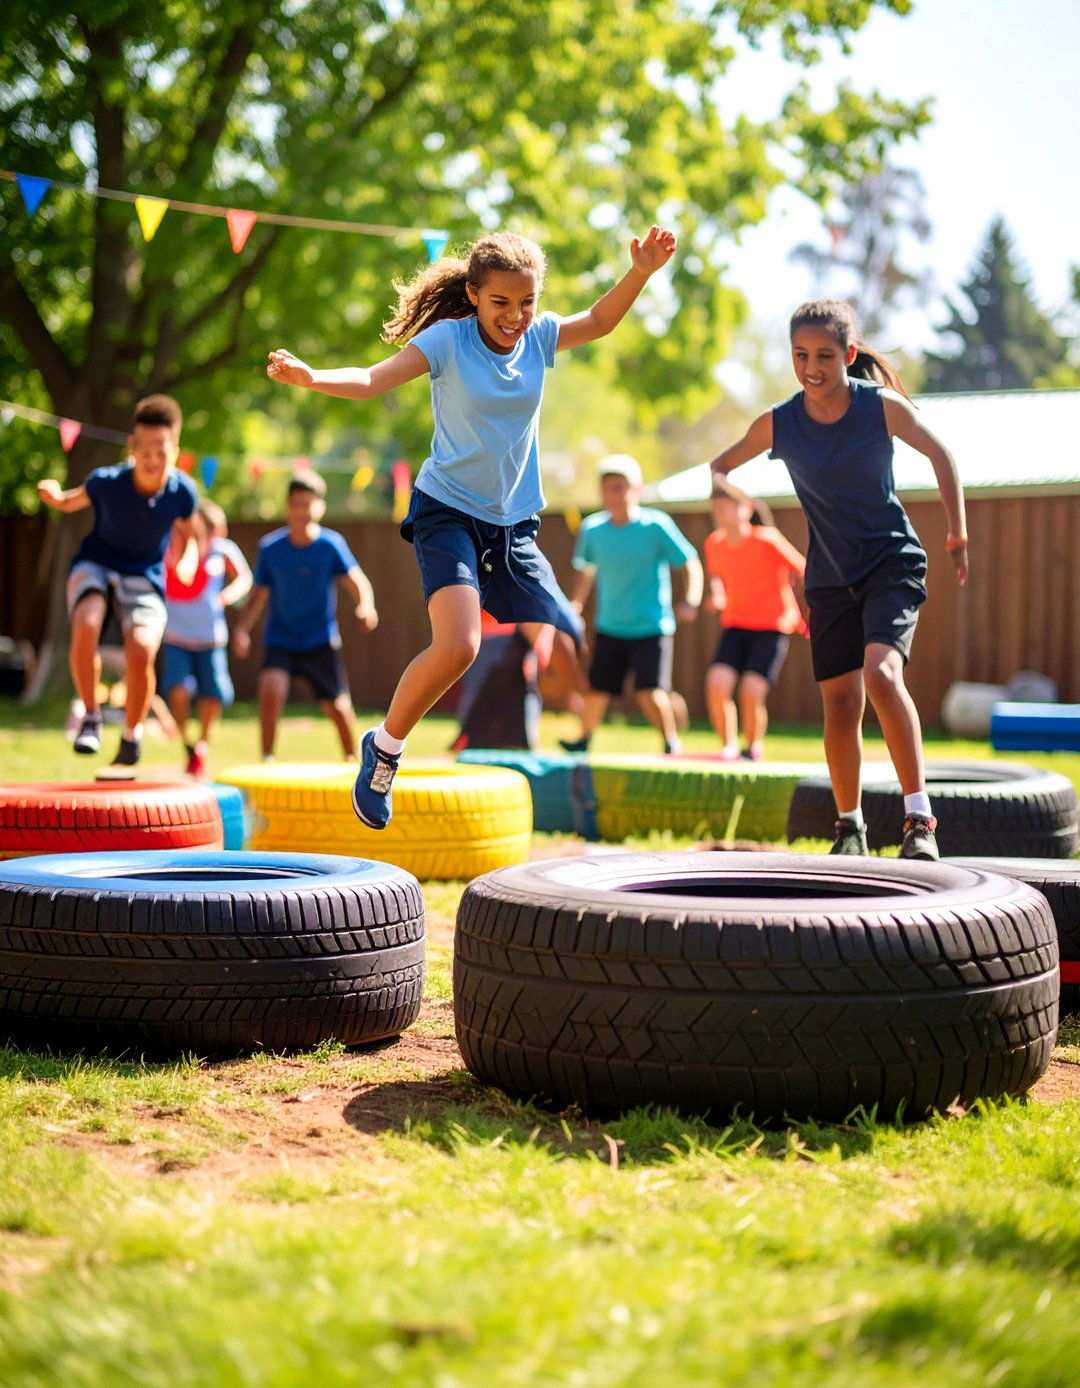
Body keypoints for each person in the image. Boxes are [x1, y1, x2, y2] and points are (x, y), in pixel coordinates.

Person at [266, 224, 678, 827]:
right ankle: (384, 750)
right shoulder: (449, 341)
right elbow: (373, 379)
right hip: (447, 511)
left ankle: (551, 727)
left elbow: (598, 320)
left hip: (513, 525)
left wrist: (640, 272)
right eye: (501, 302)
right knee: (460, 644)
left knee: (564, 636)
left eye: (526, 302)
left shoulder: (538, 337)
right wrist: (313, 378)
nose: (515, 316)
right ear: (476, 294)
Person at [710, 298, 968, 860]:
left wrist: (957, 533)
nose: (811, 368)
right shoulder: (781, 422)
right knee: (841, 703)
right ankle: (849, 827)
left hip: (891, 563)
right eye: (800, 355)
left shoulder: (881, 409)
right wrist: (743, 500)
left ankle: (919, 823)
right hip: (828, 577)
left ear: (849, 354)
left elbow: (942, 454)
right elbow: (719, 466)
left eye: (825, 356)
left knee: (880, 674)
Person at [37, 394, 198, 769]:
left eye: (163, 451)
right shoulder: (106, 483)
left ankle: (131, 736)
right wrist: (51, 494)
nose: (154, 460)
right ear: (132, 447)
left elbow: (188, 535)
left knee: (141, 650)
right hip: (97, 564)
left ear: (175, 450)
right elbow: (68, 501)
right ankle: (91, 717)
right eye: (146, 451)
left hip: (145, 574)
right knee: (87, 621)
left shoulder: (181, 492)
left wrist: (187, 561)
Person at [559, 454, 702, 756]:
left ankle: (670, 741)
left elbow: (689, 562)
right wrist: (575, 605)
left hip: (652, 625)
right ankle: (583, 740)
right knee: (597, 690)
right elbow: (585, 570)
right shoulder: (592, 529)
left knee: (649, 691)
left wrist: (691, 598)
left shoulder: (656, 526)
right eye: (610, 488)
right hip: (610, 625)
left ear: (637, 489)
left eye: (622, 487)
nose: (616, 494)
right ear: (602, 492)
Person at [231, 472, 377, 761]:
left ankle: (353, 761)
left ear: (320, 507)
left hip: (320, 638)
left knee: (337, 706)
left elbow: (357, 580)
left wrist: (366, 606)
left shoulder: (330, 545)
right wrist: (242, 630)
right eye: (297, 504)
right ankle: (267, 759)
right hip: (281, 638)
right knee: (271, 689)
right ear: (288, 506)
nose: (303, 511)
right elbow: (258, 595)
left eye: (309, 504)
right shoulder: (271, 548)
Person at [703, 475, 806, 761]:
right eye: (716, 510)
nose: (720, 515)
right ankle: (728, 747)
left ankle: (753, 746)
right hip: (736, 624)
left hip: (772, 625)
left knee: (751, 689)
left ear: (745, 509)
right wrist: (717, 594)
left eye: (725, 508)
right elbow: (716, 577)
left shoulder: (767, 540)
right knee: (717, 683)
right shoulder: (714, 543)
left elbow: (802, 568)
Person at [162, 499, 253, 777]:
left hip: (210, 638)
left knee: (212, 695)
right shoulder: (172, 548)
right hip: (175, 635)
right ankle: (186, 742)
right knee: (177, 691)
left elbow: (244, 579)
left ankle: (201, 745)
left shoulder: (223, 551)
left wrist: (228, 595)